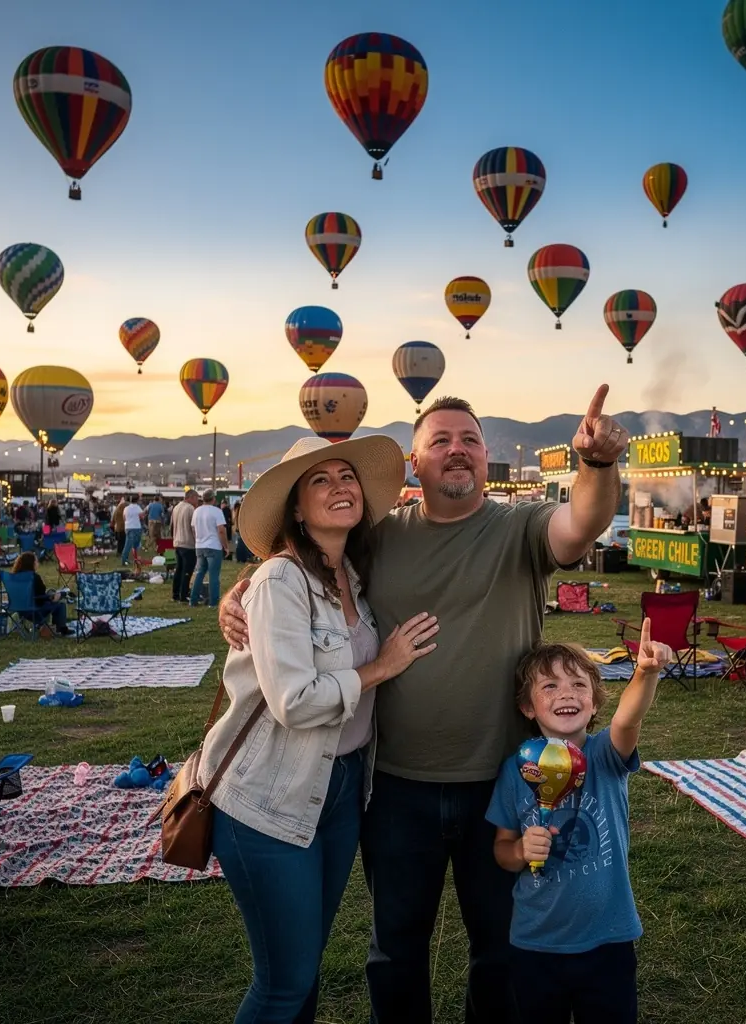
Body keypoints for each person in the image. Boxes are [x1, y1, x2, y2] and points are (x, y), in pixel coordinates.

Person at [221, 386, 629, 1023]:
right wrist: (245, 590)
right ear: (415, 462)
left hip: (501, 780)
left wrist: (597, 466)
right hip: (394, 786)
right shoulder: (381, 538)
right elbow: (303, 560)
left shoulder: (518, 527)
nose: (456, 451)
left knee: (499, 947)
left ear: (486, 457)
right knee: (396, 948)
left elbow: (582, 523)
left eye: (469, 439)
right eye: (440, 440)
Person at [200, 434, 439, 1023]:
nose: (340, 487)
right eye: (320, 480)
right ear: (297, 510)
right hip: (270, 795)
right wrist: (382, 665)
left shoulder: (353, 576)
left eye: (347, 476)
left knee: (303, 968)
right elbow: (293, 702)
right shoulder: (281, 581)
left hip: (341, 790)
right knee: (283, 984)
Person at [488, 630, 672, 1024]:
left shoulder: (606, 753)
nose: (566, 693)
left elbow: (628, 719)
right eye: (549, 686)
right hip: (536, 944)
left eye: (577, 684)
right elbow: (502, 849)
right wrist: (520, 851)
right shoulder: (515, 769)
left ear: (593, 703)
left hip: (608, 939)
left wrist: (645, 673)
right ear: (527, 706)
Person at [11, 552, 73, 636]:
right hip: (34, 610)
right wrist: (53, 597)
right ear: (31, 564)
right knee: (60, 605)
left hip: (20, 609)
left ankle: (46, 627)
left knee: (51, 594)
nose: (37, 563)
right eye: (36, 562)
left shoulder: (14, 577)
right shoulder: (34, 577)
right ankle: (61, 629)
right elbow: (40, 598)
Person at [190, 490, 230, 607]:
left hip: (199, 545)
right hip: (213, 546)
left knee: (200, 573)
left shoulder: (196, 511)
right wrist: (226, 546)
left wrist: (198, 540)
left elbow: (193, 529)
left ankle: (193, 600)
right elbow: (221, 530)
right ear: (213, 499)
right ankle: (213, 602)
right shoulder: (217, 511)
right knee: (214, 575)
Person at [171, 491, 200, 603]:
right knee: (187, 571)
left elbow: (172, 525)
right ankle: (184, 594)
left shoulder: (176, 507)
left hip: (177, 542)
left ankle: (175, 593)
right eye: (196, 498)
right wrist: (197, 540)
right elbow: (193, 527)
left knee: (179, 569)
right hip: (188, 543)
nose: (197, 501)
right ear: (191, 497)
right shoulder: (190, 509)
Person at [121, 496, 144, 566]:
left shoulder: (126, 508)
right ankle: (125, 560)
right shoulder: (138, 508)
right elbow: (142, 517)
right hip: (136, 527)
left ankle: (130, 559)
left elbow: (124, 518)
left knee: (128, 544)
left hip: (128, 527)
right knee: (135, 545)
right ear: (137, 501)